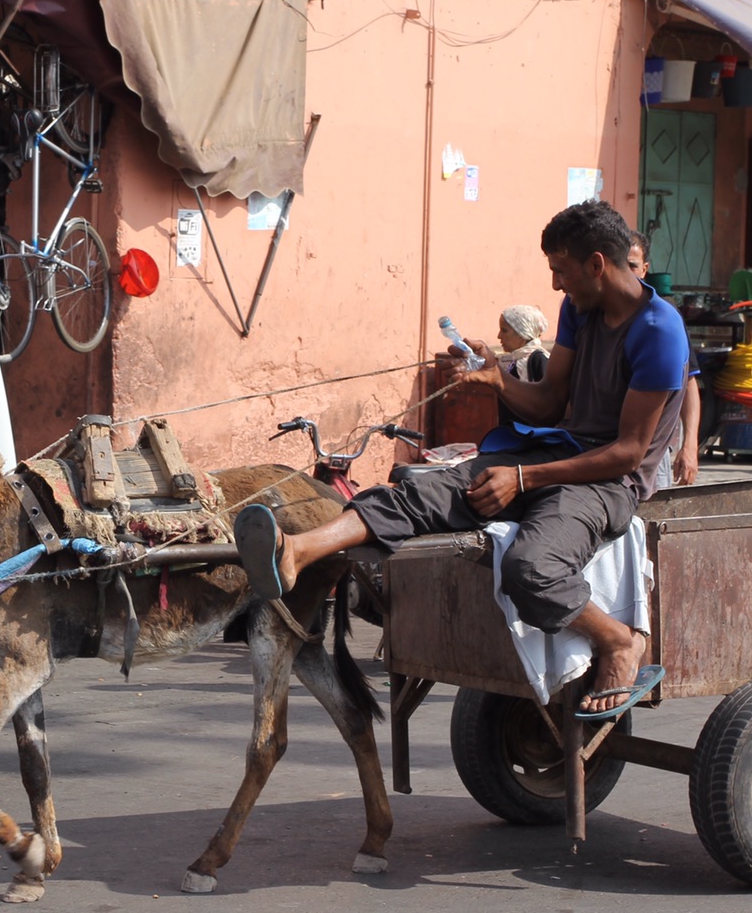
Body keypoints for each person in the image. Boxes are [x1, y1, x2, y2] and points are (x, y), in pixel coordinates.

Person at [236, 200, 685, 714]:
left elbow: (627, 454)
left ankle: (619, 641)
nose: (557, 285)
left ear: (597, 265)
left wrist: (523, 477)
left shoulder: (658, 329)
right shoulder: (580, 312)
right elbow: (549, 402)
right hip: (548, 456)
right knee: (418, 491)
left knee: (531, 570)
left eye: (560, 271)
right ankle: (295, 551)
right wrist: (499, 378)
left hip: (606, 484)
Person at [627, 232, 699, 488]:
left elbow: (688, 382)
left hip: (653, 455)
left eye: (633, 266)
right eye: (621, 265)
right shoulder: (594, 314)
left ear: (645, 269)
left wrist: (689, 446)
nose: (627, 273)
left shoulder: (664, 319)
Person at [496, 305, 551, 383]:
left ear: (522, 333)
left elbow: (546, 393)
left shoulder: (538, 359)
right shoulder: (516, 360)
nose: (499, 336)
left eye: (504, 331)